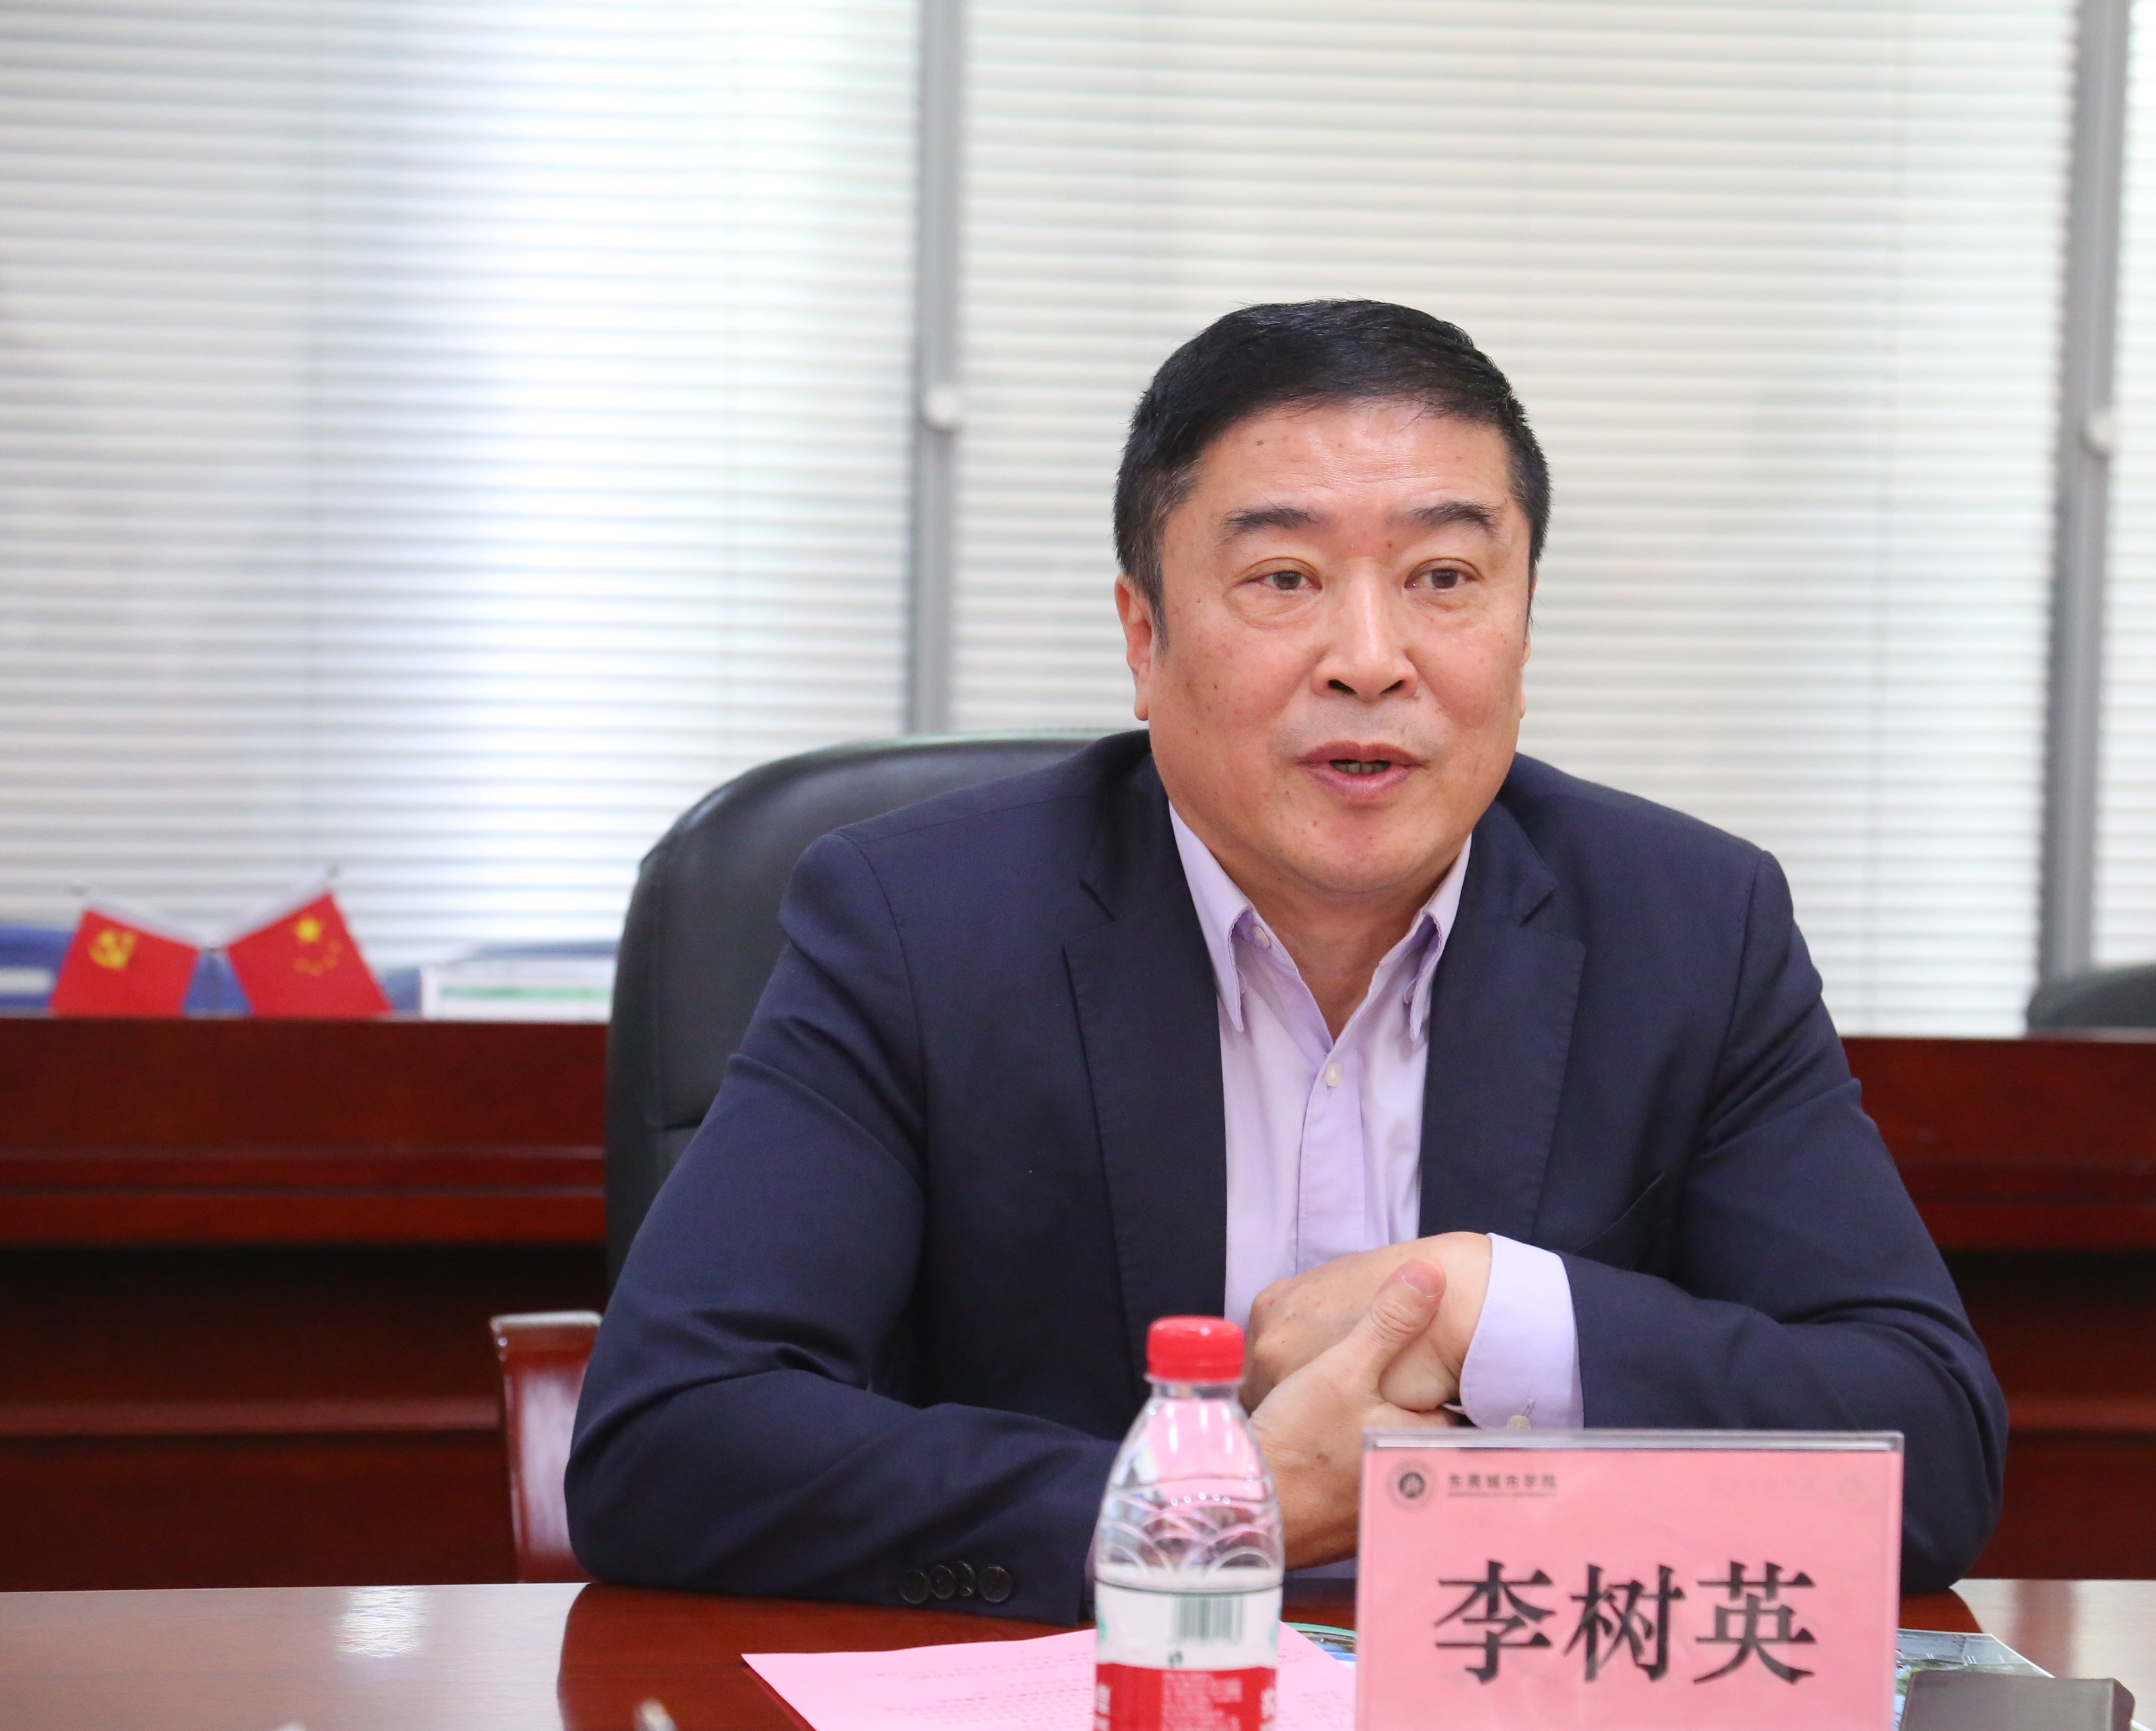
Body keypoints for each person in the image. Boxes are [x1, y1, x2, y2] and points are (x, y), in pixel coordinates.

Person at [566, 300, 2005, 1619]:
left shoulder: (1688, 926)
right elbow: (668, 1438)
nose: (1370, 658)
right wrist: (1204, 1511)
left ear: (1522, 628)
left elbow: (1928, 1455)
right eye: (1283, 578)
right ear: (1145, 635)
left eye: (1445, 576)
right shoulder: (922, 924)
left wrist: (1498, 1309)